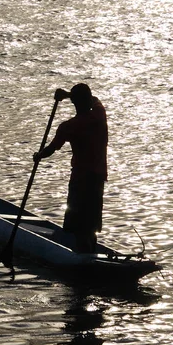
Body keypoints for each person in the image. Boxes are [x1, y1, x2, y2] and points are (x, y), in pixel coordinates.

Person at [33, 84, 108, 253]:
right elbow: (95, 100)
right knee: (90, 224)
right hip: (97, 179)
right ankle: (89, 252)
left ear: (74, 102)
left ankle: (83, 258)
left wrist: (38, 156)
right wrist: (68, 95)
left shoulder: (69, 126)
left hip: (81, 181)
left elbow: (51, 149)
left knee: (79, 225)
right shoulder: (99, 114)